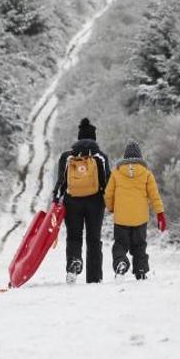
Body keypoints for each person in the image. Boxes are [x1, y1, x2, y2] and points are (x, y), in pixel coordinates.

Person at [52, 118, 111, 284]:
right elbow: (108, 181)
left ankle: (73, 263)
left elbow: (61, 182)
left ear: (78, 138)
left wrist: (56, 199)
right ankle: (94, 277)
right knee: (94, 239)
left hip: (72, 202)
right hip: (95, 202)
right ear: (94, 138)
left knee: (73, 237)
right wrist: (109, 201)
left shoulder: (67, 156)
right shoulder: (100, 157)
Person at [104, 140, 166, 280]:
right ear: (140, 157)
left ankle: (121, 263)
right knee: (139, 246)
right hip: (140, 219)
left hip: (121, 218)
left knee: (120, 244)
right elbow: (154, 196)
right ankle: (141, 270)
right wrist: (160, 214)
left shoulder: (116, 173)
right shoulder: (146, 174)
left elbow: (108, 194)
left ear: (125, 158)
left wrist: (111, 208)